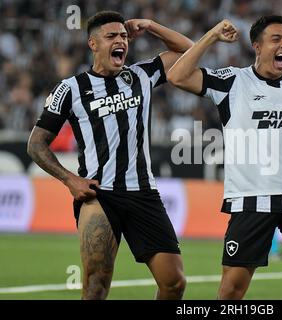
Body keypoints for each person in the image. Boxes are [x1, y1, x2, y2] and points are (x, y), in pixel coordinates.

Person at [167, 15, 282, 300]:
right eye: (276, 39)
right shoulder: (232, 82)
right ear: (257, 47)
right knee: (230, 293)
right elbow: (177, 76)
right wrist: (212, 35)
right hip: (252, 200)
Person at [27, 11, 193, 300]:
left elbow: (188, 50)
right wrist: (70, 180)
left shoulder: (142, 74)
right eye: (112, 36)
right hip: (99, 195)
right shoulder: (71, 88)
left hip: (143, 192)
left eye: (124, 36)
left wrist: (151, 25)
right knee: (96, 287)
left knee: (174, 283)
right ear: (93, 44)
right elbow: (36, 143)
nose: (121, 41)